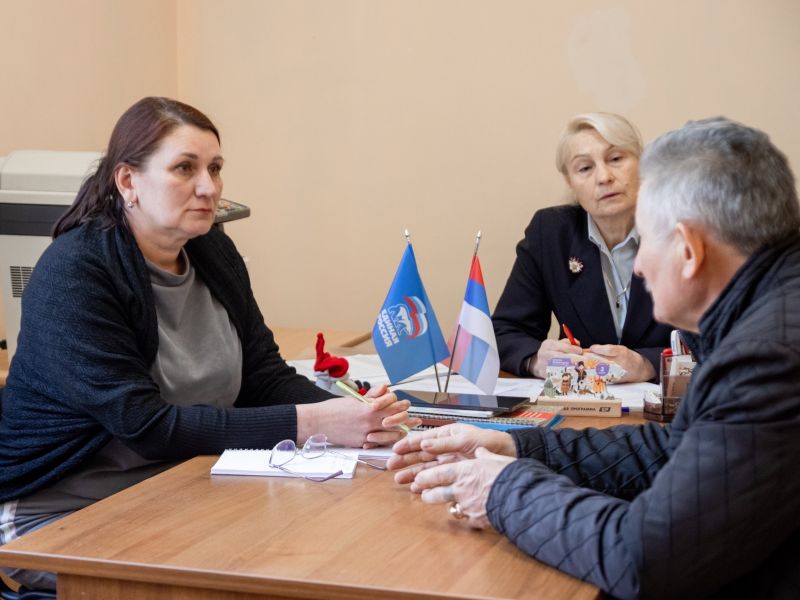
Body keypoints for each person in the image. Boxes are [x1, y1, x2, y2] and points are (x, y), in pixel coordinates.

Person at [0, 97, 416, 593]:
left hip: (181, 487)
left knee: (340, 549)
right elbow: (147, 426)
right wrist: (318, 423)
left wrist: (359, 418)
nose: (209, 188)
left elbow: (263, 376)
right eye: (185, 168)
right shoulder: (76, 273)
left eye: (215, 169)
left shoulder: (213, 249)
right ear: (128, 181)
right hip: (62, 514)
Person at [389, 117, 800, 599]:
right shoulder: (769, 311)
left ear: (688, 250)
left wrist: (501, 490)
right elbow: (676, 449)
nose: (638, 266)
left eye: (647, 241)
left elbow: (645, 558)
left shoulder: (765, 358)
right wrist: (520, 447)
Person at [492, 112, 671, 382]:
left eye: (615, 159)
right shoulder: (551, 233)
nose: (604, 177)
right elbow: (505, 332)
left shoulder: (679, 229)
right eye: (585, 168)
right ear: (570, 182)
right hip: (582, 400)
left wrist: (648, 364)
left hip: (669, 403)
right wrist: (536, 360)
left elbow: (717, 340)